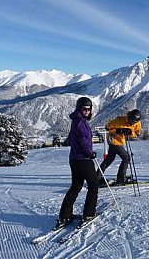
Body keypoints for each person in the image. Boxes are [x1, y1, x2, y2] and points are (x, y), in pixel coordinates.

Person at [56, 97, 98, 229]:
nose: (87, 111)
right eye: (84, 109)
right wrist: (89, 153)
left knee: (76, 186)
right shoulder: (81, 122)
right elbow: (84, 140)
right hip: (84, 160)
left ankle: (65, 215)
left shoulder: (76, 120)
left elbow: (71, 138)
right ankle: (89, 214)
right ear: (79, 108)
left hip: (74, 159)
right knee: (93, 186)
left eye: (89, 109)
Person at [99, 109, 142, 185]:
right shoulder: (119, 120)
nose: (132, 123)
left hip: (121, 142)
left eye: (134, 122)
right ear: (129, 117)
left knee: (109, 159)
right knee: (126, 158)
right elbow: (107, 127)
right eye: (131, 120)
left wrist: (130, 132)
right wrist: (118, 130)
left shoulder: (137, 124)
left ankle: (97, 176)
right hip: (113, 140)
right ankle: (121, 179)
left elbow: (136, 134)